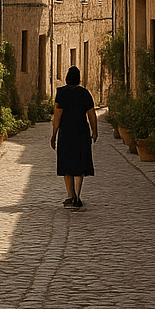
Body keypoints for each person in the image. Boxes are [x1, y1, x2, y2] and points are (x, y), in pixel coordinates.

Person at [50, 66, 98, 208]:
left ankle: (70, 196)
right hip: (81, 132)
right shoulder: (84, 93)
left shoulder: (61, 93)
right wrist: (94, 131)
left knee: (66, 163)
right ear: (78, 78)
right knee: (79, 162)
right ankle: (78, 195)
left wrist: (53, 134)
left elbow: (57, 115)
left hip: (66, 132)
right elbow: (91, 115)